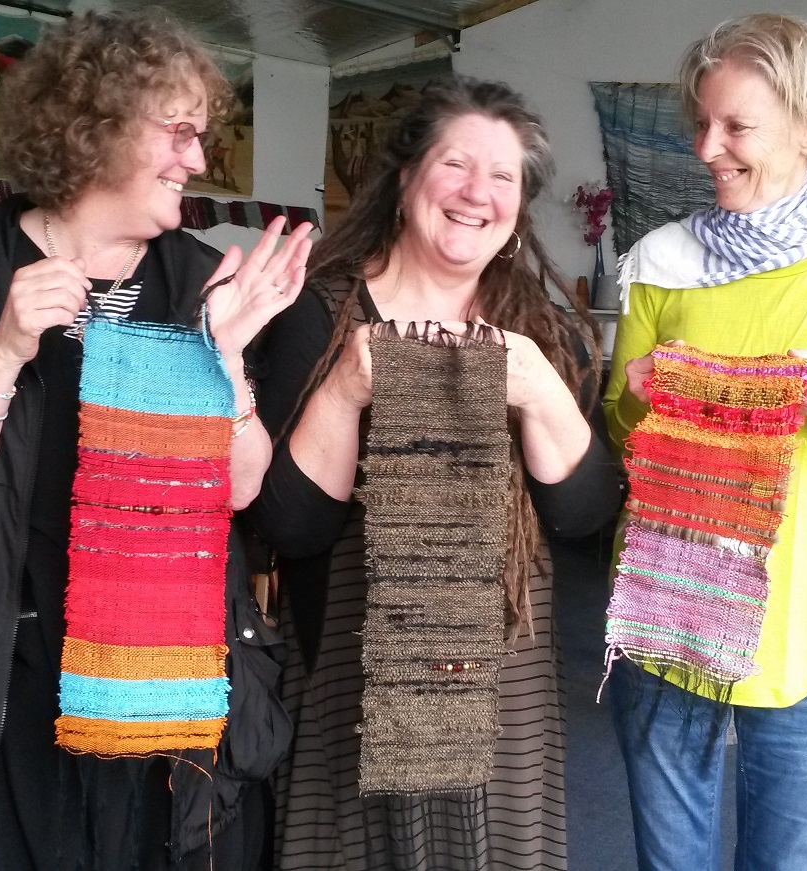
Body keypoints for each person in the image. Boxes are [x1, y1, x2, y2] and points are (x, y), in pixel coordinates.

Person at [0, 11, 312, 869]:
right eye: (179, 131)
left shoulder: (200, 283)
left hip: (176, 672)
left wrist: (227, 360)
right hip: (13, 668)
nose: (198, 159)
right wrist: (4, 347)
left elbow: (240, 488)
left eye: (200, 135)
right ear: (94, 127)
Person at [248, 76, 621, 871]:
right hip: (354, 670)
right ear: (406, 177)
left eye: (502, 175)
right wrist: (343, 391)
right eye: (455, 164)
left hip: (502, 678)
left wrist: (541, 392)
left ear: (518, 206)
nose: (476, 192)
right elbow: (288, 527)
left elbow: (582, 514)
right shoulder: (318, 314)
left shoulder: (543, 334)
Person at [603, 13, 807, 871]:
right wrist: (636, 397)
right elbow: (618, 438)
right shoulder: (661, 260)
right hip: (667, 610)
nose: (706, 148)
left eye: (736, 126)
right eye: (700, 123)